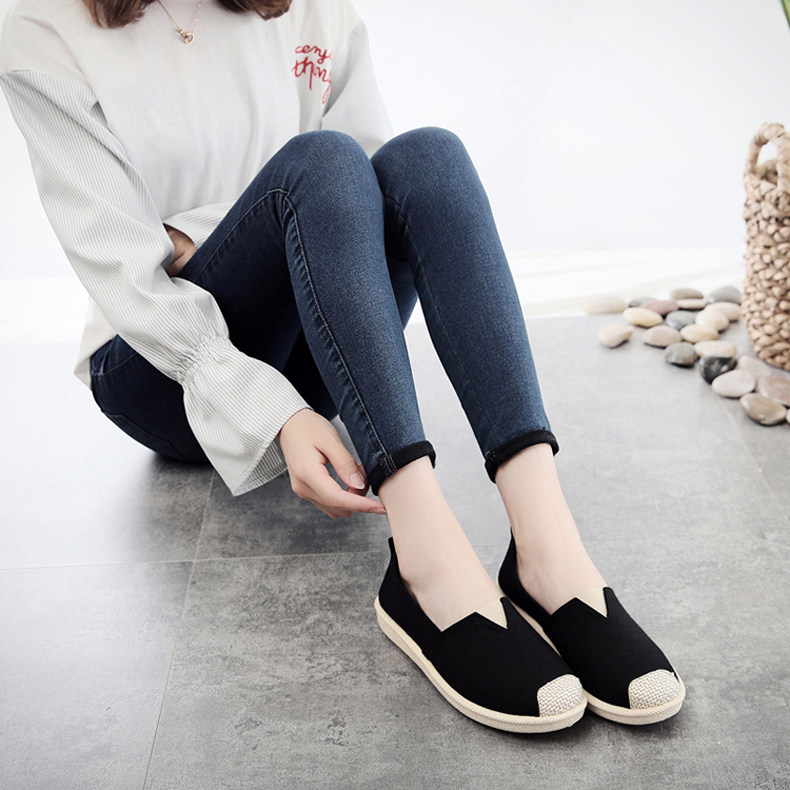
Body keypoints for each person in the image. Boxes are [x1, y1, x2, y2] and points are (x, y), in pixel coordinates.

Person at [0, 0, 684, 732]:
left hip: (311, 337)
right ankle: (424, 564)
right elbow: (129, 268)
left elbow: (374, 189)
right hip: (160, 369)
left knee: (428, 158)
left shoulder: (310, 6)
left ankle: (548, 554)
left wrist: (193, 228)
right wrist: (274, 411)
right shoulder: (40, 26)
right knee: (319, 161)